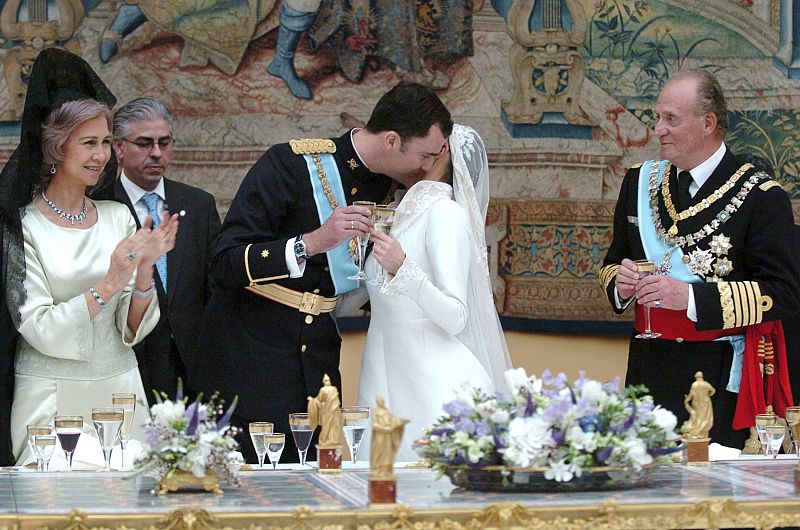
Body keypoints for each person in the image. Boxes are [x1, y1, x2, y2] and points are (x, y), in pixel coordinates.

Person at [190, 81, 453, 464]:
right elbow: (223, 262)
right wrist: (310, 242)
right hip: (252, 361)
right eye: (426, 155)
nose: (428, 166)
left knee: (316, 487)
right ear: (392, 141)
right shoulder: (291, 165)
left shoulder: (395, 187)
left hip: (318, 363)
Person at [599, 68, 800, 449]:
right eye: (657, 117)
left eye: (671, 119)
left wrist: (688, 299)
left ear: (708, 123)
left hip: (716, 374)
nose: (658, 129)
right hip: (647, 367)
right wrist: (621, 283)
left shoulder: (761, 195)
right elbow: (613, 262)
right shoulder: (639, 181)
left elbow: (783, 292)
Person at [0, 48, 179, 464]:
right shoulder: (21, 226)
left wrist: (147, 268)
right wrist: (111, 281)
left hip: (121, 391)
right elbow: (38, 326)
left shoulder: (120, 217)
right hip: (50, 396)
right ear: (57, 148)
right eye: (88, 143)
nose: (101, 155)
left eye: (104, 143)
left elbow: (131, 330)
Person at [358, 124, 513, 461]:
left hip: (430, 386)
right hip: (384, 374)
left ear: (441, 156)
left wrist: (404, 268)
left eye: (430, 150)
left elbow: (456, 315)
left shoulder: (445, 214)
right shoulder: (400, 216)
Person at [112, 97, 221, 403]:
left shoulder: (197, 204)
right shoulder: (101, 206)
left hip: (192, 368)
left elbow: (216, 286)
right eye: (145, 143)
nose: (157, 153)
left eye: (164, 142)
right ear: (118, 147)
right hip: (128, 362)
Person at [369, 397, 409, 480]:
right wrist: (385, 429)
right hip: (379, 436)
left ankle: (385, 470)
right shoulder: (375, 412)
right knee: (379, 452)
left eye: (382, 400)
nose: (381, 402)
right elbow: (375, 425)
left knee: (387, 452)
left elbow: (392, 419)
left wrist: (400, 421)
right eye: (380, 401)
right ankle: (377, 469)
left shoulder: (386, 410)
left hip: (387, 436)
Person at [306, 374, 343, 446]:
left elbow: (336, 401)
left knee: (334, 426)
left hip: (334, 410)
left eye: (328, 380)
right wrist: (312, 401)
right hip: (326, 411)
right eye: (326, 380)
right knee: (326, 426)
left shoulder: (334, 389)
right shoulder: (322, 390)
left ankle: (332, 440)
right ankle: (325, 439)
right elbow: (319, 399)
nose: (327, 382)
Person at [682, 371, 715, 439]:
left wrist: (687, 400)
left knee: (697, 417)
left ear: (696, 377)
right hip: (706, 403)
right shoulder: (706, 384)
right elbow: (713, 390)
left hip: (697, 403)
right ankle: (699, 433)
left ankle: (695, 433)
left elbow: (692, 394)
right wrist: (708, 396)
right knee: (704, 418)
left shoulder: (695, 384)